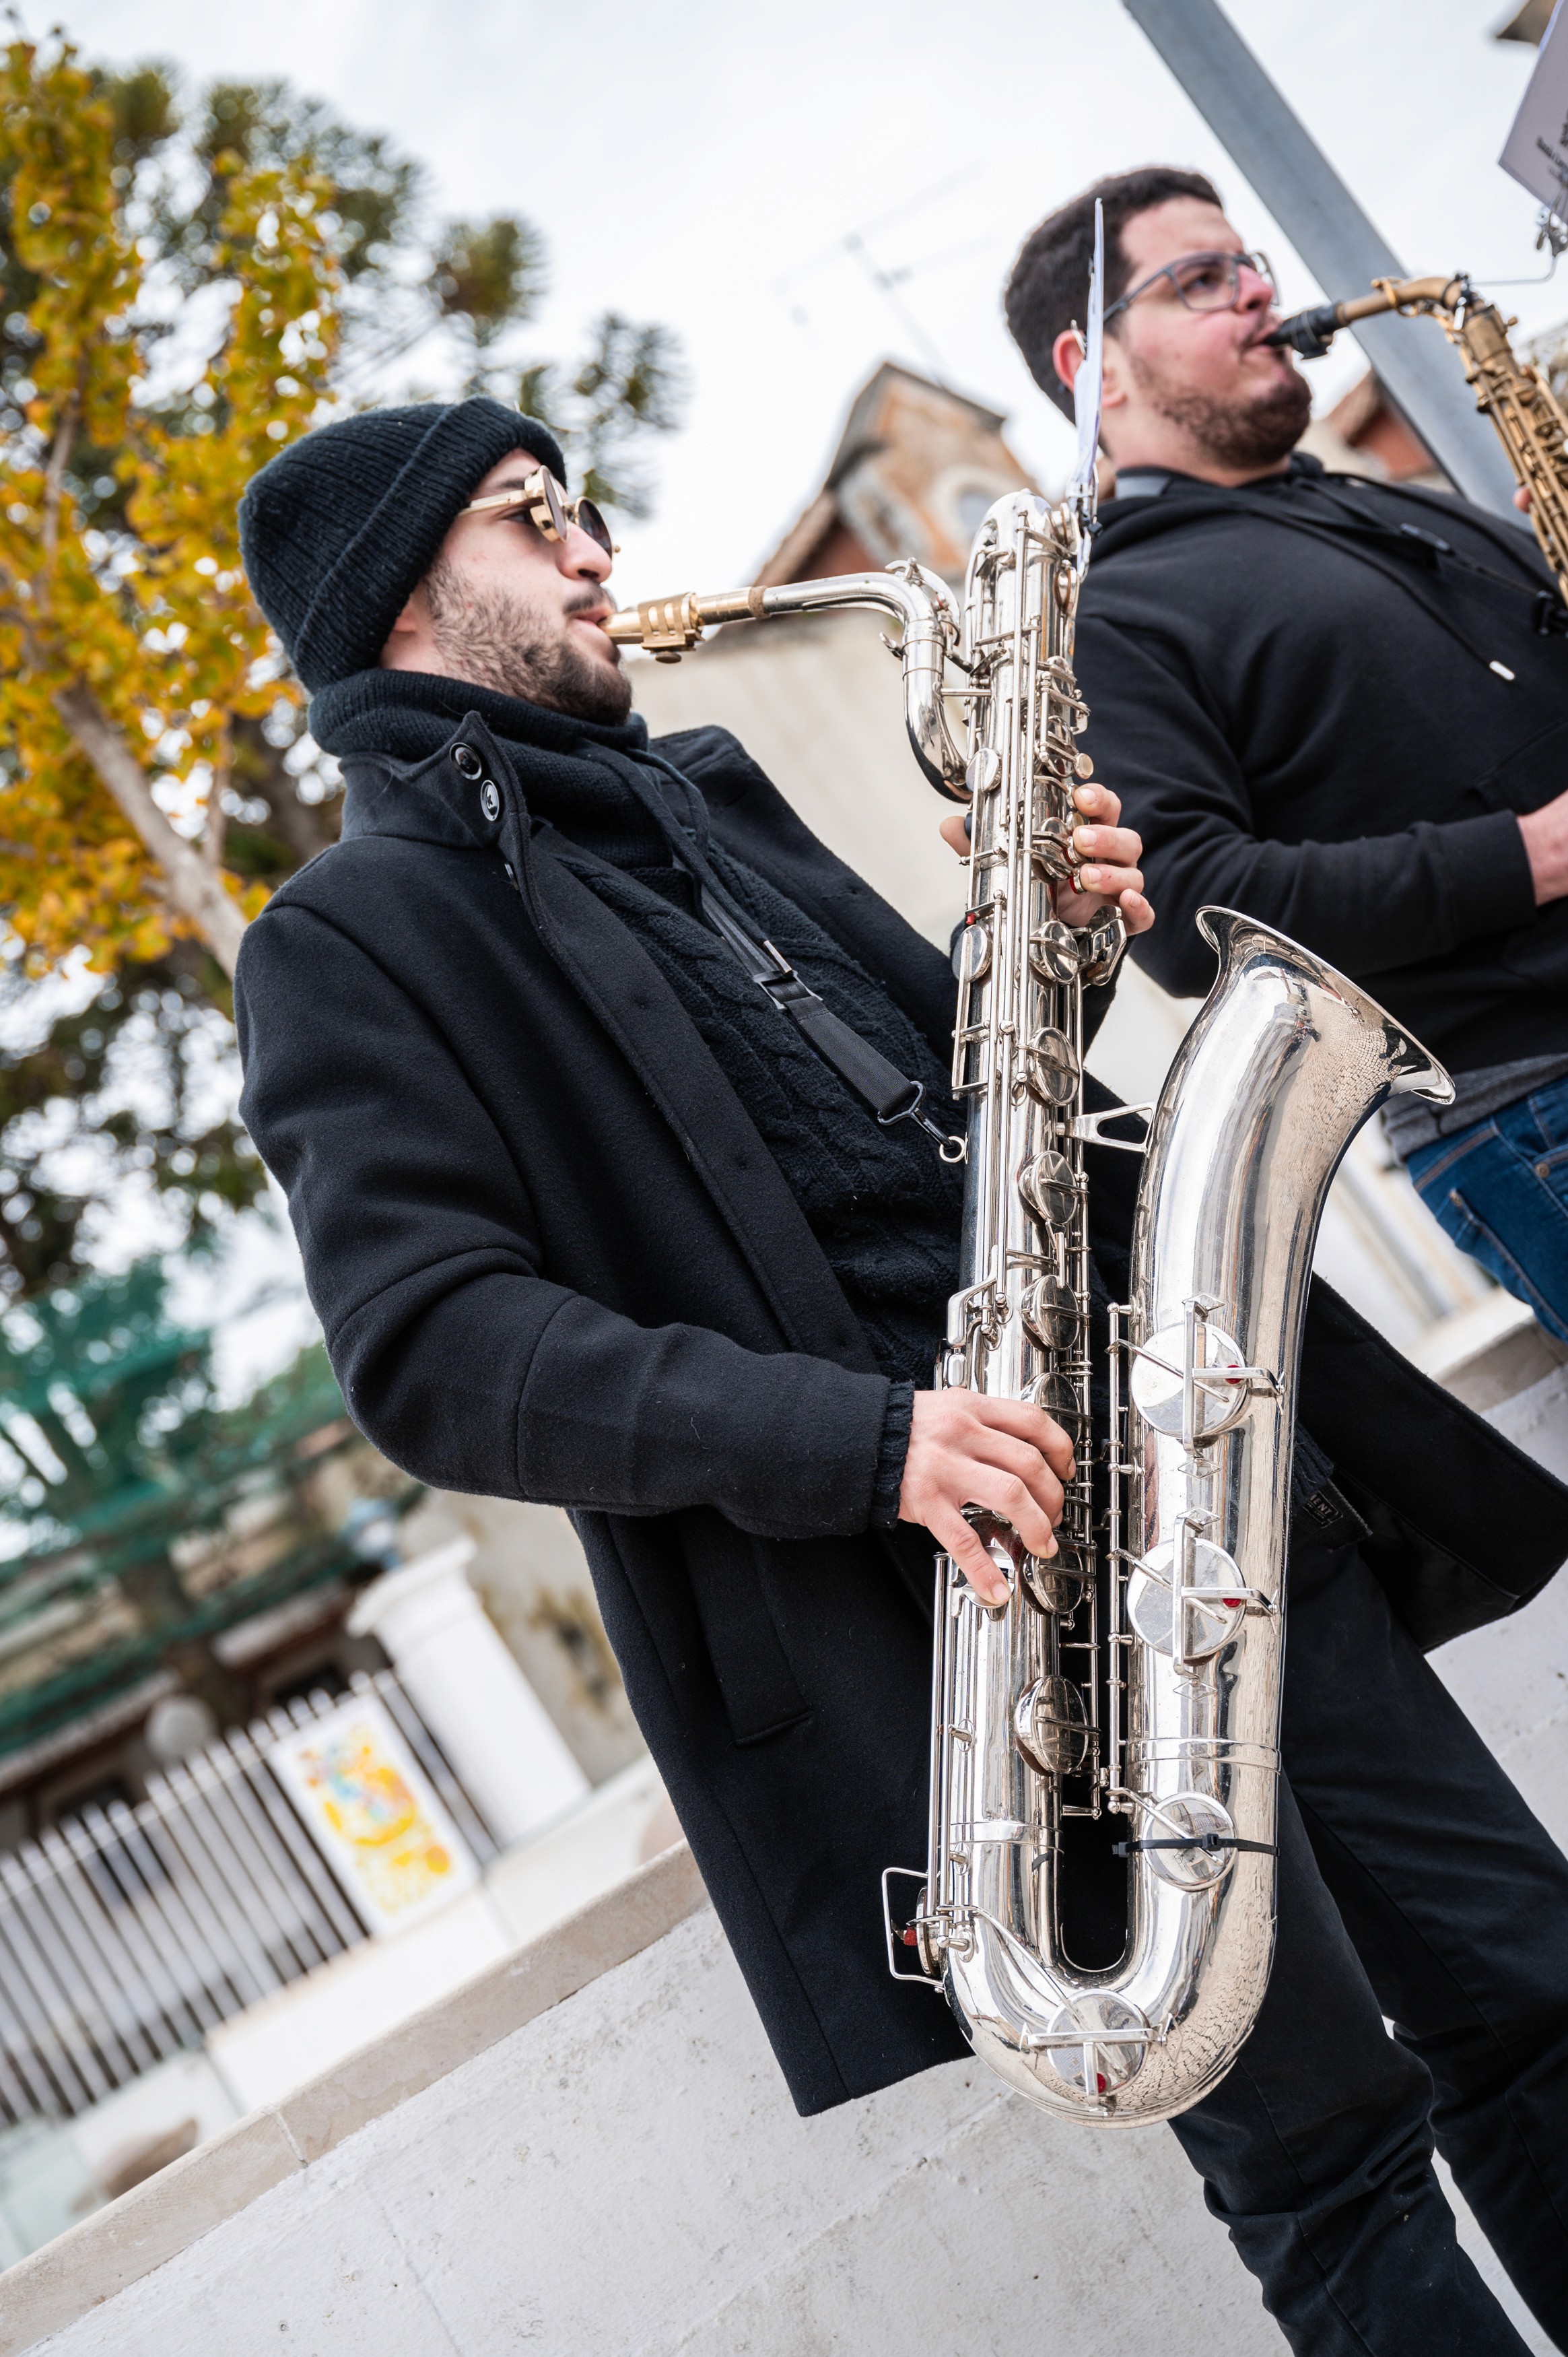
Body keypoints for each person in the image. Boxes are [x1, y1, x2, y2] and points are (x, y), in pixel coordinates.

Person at [232, 391, 1568, 2357]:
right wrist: (872, 1440)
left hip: (1209, 1507)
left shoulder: (697, 800)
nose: (596, 550)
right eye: (535, 521)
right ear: (401, 601)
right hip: (1006, 1618)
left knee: (1533, 1990)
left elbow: (962, 1120)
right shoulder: (349, 937)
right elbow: (432, 1344)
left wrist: (1075, 938)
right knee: (1327, 2157)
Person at [1007, 166, 1568, 1346]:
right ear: (1089, 368)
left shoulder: (1388, 506)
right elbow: (1198, 912)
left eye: (1250, 264)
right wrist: (1535, 854)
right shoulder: (1110, 616)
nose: (1259, 295)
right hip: (1535, 1100)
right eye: (1201, 280)